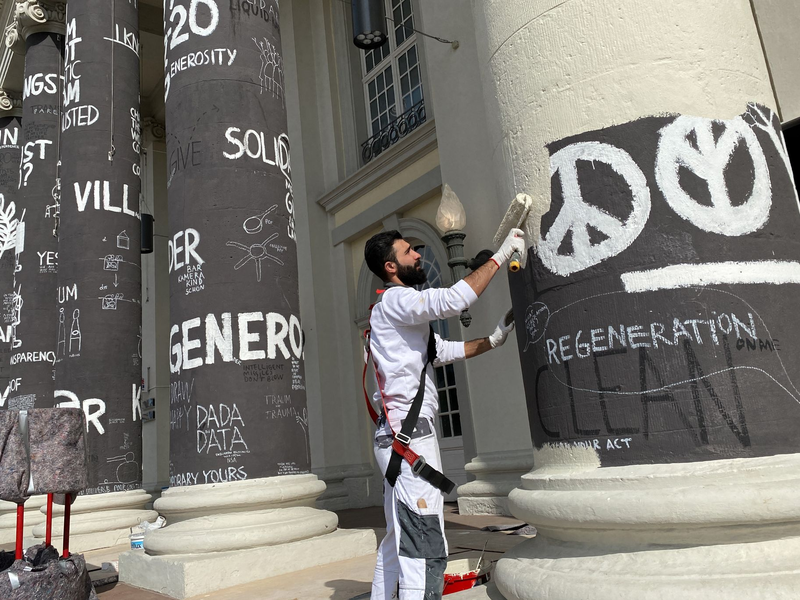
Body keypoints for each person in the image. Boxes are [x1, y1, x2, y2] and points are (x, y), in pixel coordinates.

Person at [364, 227, 525, 599]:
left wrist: (494, 339)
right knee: (422, 543)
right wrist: (501, 255)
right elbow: (453, 300)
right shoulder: (396, 301)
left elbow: (444, 351)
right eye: (408, 252)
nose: (418, 256)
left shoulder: (396, 319)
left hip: (397, 442)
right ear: (391, 266)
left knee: (398, 540)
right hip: (410, 443)